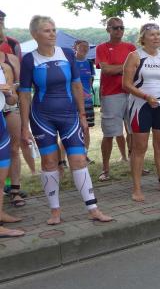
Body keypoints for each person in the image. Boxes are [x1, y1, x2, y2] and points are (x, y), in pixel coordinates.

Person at [19, 16, 113, 225]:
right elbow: (24, 95)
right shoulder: (29, 60)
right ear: (35, 34)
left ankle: (93, 209)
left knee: (79, 160)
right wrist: (24, 127)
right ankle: (55, 211)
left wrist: (82, 115)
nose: (52, 34)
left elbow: (77, 85)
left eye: (54, 29)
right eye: (47, 30)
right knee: (49, 162)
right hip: (42, 118)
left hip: (70, 116)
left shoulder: (67, 54)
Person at [123, 23, 160, 202]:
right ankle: (137, 188)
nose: (156, 37)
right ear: (143, 38)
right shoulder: (135, 56)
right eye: (152, 35)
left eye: (158, 34)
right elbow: (126, 84)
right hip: (141, 106)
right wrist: (146, 97)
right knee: (140, 147)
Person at [95, 17, 136, 181]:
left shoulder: (130, 47)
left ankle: (135, 164)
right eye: (115, 28)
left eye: (122, 28)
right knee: (110, 133)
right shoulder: (102, 48)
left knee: (133, 131)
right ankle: (105, 169)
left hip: (132, 92)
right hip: (111, 94)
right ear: (108, 30)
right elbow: (106, 70)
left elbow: (137, 67)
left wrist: (118, 69)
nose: (119, 30)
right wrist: (127, 67)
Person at [0, 60, 24, 237]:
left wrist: (10, 94)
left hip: (0, 119)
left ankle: (0, 213)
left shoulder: (3, 67)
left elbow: (12, 98)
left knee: (1, 176)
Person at [73, 39, 95, 151]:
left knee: (86, 128)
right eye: (81, 46)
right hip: (72, 102)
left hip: (87, 102)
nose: (84, 48)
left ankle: (85, 155)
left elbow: (90, 82)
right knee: (71, 129)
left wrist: (87, 94)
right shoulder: (70, 62)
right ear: (75, 47)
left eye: (87, 46)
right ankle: (64, 158)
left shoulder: (90, 63)